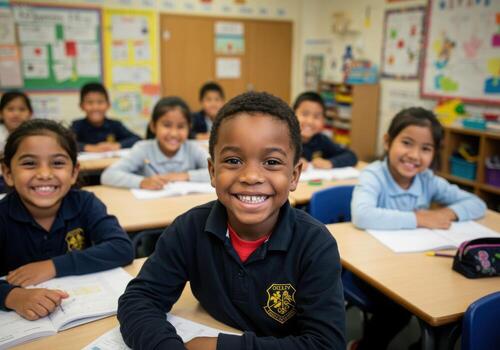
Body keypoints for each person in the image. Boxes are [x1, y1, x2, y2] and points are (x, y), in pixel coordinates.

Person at [117, 92, 346, 349]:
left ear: (294, 176)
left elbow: (327, 344)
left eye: (271, 162)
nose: (250, 176)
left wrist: (221, 347)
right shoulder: (190, 229)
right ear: (213, 172)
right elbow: (139, 299)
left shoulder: (315, 244)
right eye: (233, 161)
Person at [349, 107, 486, 350]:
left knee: (446, 297)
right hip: (370, 270)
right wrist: (419, 218)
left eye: (426, 148)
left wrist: (448, 212)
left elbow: (476, 203)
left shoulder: (427, 180)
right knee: (400, 306)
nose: (414, 155)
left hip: (413, 265)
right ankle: (367, 346)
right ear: (388, 142)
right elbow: (362, 214)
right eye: (407, 143)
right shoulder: (374, 175)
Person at [0, 119, 134, 320]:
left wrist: (53, 266)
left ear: (74, 172)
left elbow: (121, 247)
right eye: (29, 163)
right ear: (8, 173)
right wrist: (11, 295)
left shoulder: (85, 203)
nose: (44, 174)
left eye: (57, 163)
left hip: (79, 315)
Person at [101, 97, 210, 189]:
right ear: (153, 126)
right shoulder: (142, 149)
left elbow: (217, 172)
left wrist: (185, 176)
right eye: (167, 125)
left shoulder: (193, 148)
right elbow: (108, 175)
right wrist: (142, 182)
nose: (173, 133)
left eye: (181, 126)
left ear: (189, 128)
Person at [293, 91, 357, 170]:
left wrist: (330, 163)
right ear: (292, 114)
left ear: (323, 120)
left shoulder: (321, 140)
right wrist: (292, 162)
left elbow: (351, 156)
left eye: (316, 117)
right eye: (305, 114)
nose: (310, 121)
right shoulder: (283, 139)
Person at [71, 82, 141, 152]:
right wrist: (88, 147)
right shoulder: (77, 125)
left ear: (108, 105)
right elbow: (66, 143)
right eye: (90, 102)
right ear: (81, 106)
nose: (95, 107)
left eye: (100, 102)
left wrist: (118, 145)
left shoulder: (115, 125)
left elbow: (137, 139)